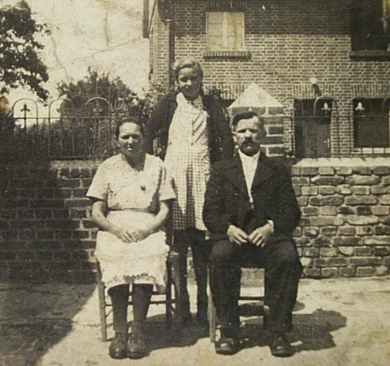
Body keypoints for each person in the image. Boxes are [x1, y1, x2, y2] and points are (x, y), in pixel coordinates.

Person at [203, 111, 303, 357]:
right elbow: (210, 212)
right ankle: (229, 330)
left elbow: (291, 210)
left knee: (288, 258)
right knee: (220, 256)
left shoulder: (278, 169)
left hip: (267, 239)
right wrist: (227, 228)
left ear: (263, 135)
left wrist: (271, 227)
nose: (248, 136)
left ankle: (277, 331)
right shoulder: (221, 169)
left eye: (254, 130)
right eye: (243, 131)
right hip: (233, 237)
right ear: (234, 135)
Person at [145, 59, 234, 325]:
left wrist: (221, 175)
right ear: (177, 81)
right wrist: (154, 169)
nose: (188, 84)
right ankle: (181, 304)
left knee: (203, 244)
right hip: (175, 176)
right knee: (178, 243)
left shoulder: (211, 106)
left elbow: (226, 143)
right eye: (183, 79)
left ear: (200, 79)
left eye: (193, 78)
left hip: (204, 176)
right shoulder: (168, 105)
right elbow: (148, 133)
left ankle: (204, 306)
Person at [87, 118, 175, 360]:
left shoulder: (157, 165)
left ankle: (137, 331)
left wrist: (148, 230)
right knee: (117, 258)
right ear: (117, 140)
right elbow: (96, 211)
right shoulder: (107, 167)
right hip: (116, 225)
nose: (130, 141)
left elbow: (165, 209)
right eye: (125, 136)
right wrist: (115, 230)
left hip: (148, 225)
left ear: (143, 138)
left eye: (136, 136)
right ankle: (120, 332)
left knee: (147, 256)